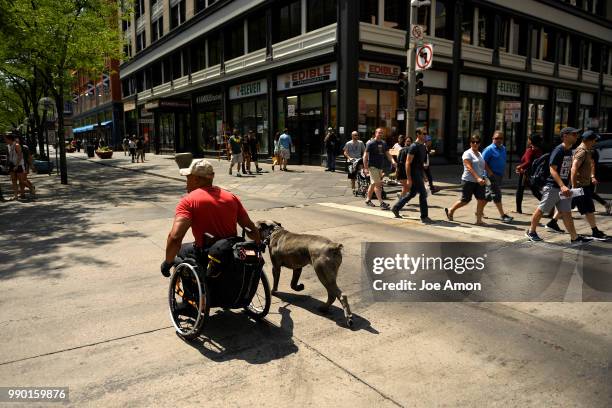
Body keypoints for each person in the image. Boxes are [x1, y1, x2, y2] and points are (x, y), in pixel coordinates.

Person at [160, 159, 261, 277]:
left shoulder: (189, 201)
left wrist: (167, 263)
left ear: (196, 179)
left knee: (181, 250)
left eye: (188, 179)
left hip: (206, 254)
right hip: (230, 251)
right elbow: (250, 229)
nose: (186, 183)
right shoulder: (231, 197)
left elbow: (175, 238)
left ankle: (190, 294)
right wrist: (258, 244)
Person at [525, 127, 591, 243]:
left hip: (564, 188)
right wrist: (562, 185)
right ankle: (531, 232)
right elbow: (552, 170)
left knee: (566, 213)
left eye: (577, 134)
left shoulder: (570, 150)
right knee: (541, 210)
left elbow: (568, 169)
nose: (576, 136)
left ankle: (574, 237)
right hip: (553, 187)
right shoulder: (558, 150)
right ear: (565, 136)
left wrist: (571, 184)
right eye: (574, 134)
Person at [569, 130, 609, 240]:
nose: (595, 142)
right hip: (580, 186)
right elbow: (573, 169)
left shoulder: (587, 150)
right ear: (589, 140)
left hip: (583, 186)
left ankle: (595, 230)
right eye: (594, 140)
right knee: (570, 208)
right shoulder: (582, 151)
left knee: (587, 208)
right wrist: (574, 186)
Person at [444, 134, 488, 225]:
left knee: (481, 199)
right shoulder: (467, 153)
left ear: (479, 143)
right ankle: (451, 210)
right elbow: (469, 167)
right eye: (473, 142)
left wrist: (486, 175)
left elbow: (482, 166)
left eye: (477, 142)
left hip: (479, 181)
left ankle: (479, 220)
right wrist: (478, 178)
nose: (475, 144)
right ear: (470, 143)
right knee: (465, 200)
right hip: (468, 180)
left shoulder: (479, 153)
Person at [391, 128, 431, 223]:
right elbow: (408, 163)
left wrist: (424, 175)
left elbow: (421, 163)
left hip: (418, 173)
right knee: (423, 193)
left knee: (412, 193)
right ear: (418, 134)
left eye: (426, 134)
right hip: (413, 173)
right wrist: (409, 178)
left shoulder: (423, 147)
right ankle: (424, 216)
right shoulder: (414, 146)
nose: (425, 135)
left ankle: (396, 208)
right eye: (423, 133)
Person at [481, 131, 513, 223]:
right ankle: (502, 215)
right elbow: (482, 162)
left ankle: (478, 211)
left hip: (499, 175)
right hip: (489, 176)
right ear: (493, 139)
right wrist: (490, 172)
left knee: (488, 196)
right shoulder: (489, 149)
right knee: (496, 194)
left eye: (500, 138)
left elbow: (502, 160)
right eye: (496, 138)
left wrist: (504, 171)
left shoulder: (503, 148)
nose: (498, 140)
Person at [363, 127, 396, 210]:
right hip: (372, 167)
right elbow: (365, 156)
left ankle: (368, 200)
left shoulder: (383, 143)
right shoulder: (370, 143)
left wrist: (393, 161)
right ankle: (381, 203)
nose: (380, 134)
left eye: (382, 133)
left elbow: (388, 154)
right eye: (379, 132)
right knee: (378, 184)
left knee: (373, 184)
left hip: (380, 167)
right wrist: (366, 168)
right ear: (375, 133)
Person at [515, 134, 543, 213]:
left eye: (528, 139)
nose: (527, 140)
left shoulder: (530, 150)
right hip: (532, 173)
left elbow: (528, 162)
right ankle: (549, 205)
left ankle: (518, 209)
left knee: (520, 190)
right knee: (535, 191)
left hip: (525, 173)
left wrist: (519, 167)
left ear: (531, 141)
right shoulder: (539, 150)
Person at [4, 133, 27, 200]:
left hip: (19, 164)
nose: (5, 140)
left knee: (21, 180)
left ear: (10, 139)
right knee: (13, 180)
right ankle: (16, 195)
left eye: (6, 139)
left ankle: (31, 188)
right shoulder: (8, 146)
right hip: (12, 164)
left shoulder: (17, 145)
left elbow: (20, 156)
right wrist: (7, 165)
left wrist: (17, 165)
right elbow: (8, 156)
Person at [591, 147, 612, 215]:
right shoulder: (594, 151)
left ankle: (605, 204)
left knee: (588, 192)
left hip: (591, 175)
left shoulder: (591, 151)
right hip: (593, 174)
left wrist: (592, 176)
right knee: (589, 192)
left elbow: (592, 164)